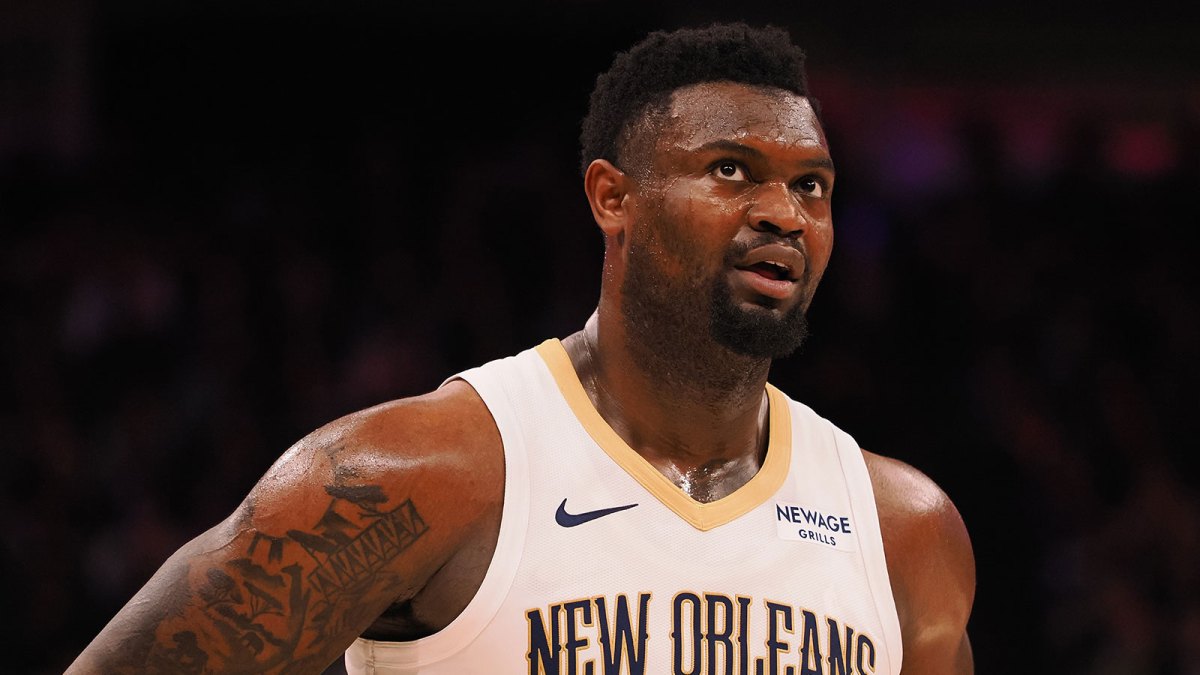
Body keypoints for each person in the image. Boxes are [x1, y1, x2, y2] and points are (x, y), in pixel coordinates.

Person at [67, 21, 975, 674]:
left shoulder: (905, 531)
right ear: (612, 196)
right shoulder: (419, 472)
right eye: (731, 170)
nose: (784, 212)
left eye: (811, 185)